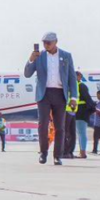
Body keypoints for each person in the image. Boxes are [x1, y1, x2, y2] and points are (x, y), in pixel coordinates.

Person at [24, 32, 75, 166]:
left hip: (60, 94)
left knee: (60, 127)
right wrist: (31, 60)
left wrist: (73, 97)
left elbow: (72, 78)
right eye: (44, 42)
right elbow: (27, 74)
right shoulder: (39, 56)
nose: (46, 45)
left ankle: (58, 156)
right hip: (44, 94)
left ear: (55, 42)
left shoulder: (66, 56)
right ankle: (43, 153)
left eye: (48, 42)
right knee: (43, 125)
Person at [72, 73, 94, 159]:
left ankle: (83, 152)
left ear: (79, 77)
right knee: (79, 133)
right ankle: (81, 152)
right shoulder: (73, 86)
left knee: (81, 133)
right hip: (75, 111)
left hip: (81, 112)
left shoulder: (81, 86)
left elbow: (88, 99)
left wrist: (91, 110)